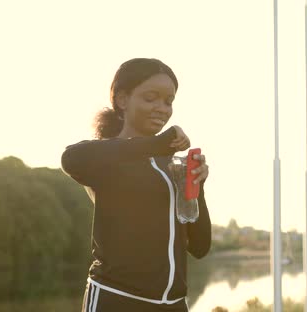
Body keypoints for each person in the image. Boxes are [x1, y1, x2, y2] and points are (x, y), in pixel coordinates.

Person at [61, 58, 211, 312]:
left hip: (174, 305)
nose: (162, 108)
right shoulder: (107, 159)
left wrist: (197, 186)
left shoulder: (172, 166)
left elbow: (199, 246)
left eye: (169, 101)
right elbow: (71, 158)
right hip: (116, 300)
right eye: (150, 98)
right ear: (122, 100)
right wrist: (159, 143)